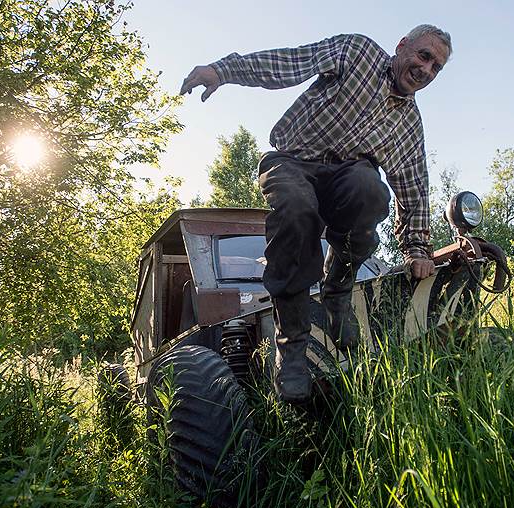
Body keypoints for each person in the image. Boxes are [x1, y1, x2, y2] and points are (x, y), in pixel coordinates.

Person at [180, 25, 451, 404]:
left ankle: (337, 289)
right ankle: (291, 345)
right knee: (296, 208)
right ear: (402, 46)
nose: (426, 70)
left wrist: (418, 248)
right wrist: (224, 71)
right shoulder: (357, 52)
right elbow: (291, 62)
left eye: (436, 67)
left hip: (344, 179)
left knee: (371, 189)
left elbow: (414, 186)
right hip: (293, 162)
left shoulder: (409, 123)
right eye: (424, 56)